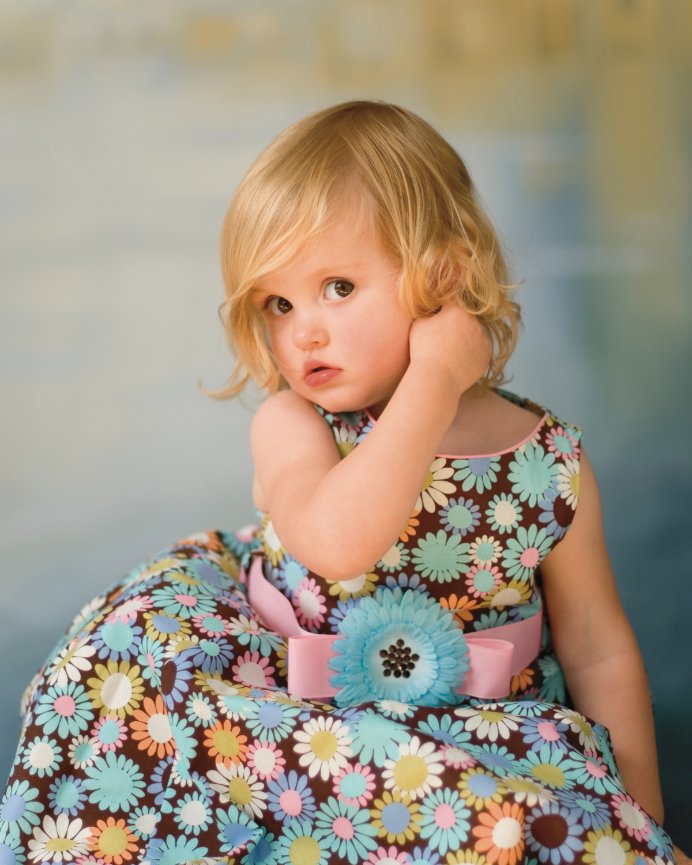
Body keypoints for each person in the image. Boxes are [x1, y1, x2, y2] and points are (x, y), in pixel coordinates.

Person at [1, 100, 687, 864]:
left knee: (510, 826)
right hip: (290, 719)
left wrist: (641, 816)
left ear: (445, 275)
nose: (304, 330)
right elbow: (338, 541)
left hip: (482, 738)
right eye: (279, 303)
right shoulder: (294, 424)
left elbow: (596, 645)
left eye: (337, 286)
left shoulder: (550, 462)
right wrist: (433, 380)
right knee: (141, 709)